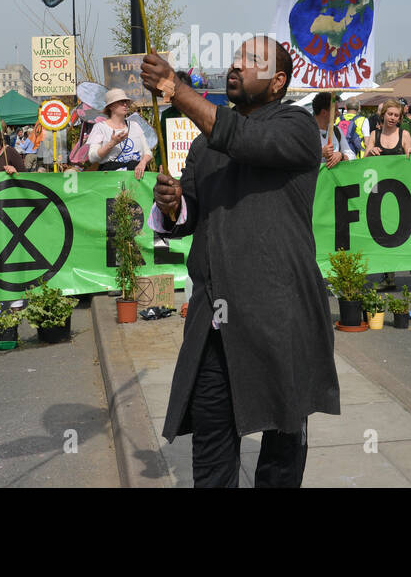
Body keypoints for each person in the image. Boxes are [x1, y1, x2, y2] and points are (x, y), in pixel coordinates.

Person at [140, 36, 339, 488]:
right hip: (218, 319)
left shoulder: (297, 128)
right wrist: (174, 207)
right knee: (211, 445)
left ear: (278, 83)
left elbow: (245, 139)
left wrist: (176, 89)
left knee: (283, 446)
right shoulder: (203, 145)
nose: (236, 67)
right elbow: (189, 216)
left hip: (281, 316)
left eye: (251, 61)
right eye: (235, 59)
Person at [87, 88, 152, 179]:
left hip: (138, 176)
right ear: (111, 106)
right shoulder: (100, 128)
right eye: (121, 102)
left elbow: (147, 152)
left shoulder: (135, 126)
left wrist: (142, 163)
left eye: (126, 101)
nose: (125, 105)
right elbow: (92, 158)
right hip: (111, 178)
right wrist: (112, 143)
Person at [311, 92, 353, 169]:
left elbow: (352, 156)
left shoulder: (336, 131)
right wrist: (320, 153)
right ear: (324, 112)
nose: (338, 113)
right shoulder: (305, 131)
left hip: (333, 180)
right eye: (335, 110)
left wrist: (341, 156)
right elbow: (297, 158)